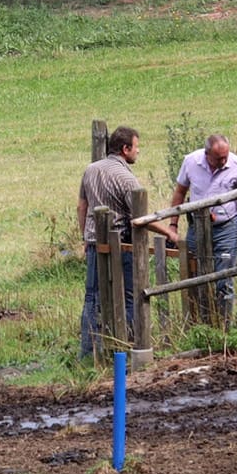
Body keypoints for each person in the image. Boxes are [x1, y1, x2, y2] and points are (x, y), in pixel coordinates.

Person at [77, 126, 179, 358]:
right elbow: (139, 219)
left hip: (94, 242)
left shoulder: (91, 169)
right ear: (125, 149)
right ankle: (130, 345)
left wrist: (85, 235)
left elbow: (82, 206)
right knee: (129, 297)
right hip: (122, 244)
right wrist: (168, 233)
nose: (138, 151)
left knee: (93, 297)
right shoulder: (127, 179)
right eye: (136, 147)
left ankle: (87, 352)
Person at [169, 134, 237, 325]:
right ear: (207, 154)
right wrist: (173, 224)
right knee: (195, 275)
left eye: (225, 156)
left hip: (226, 227)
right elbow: (180, 192)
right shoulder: (191, 162)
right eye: (219, 157)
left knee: (223, 279)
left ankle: (224, 326)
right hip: (197, 227)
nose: (224, 160)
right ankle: (198, 324)